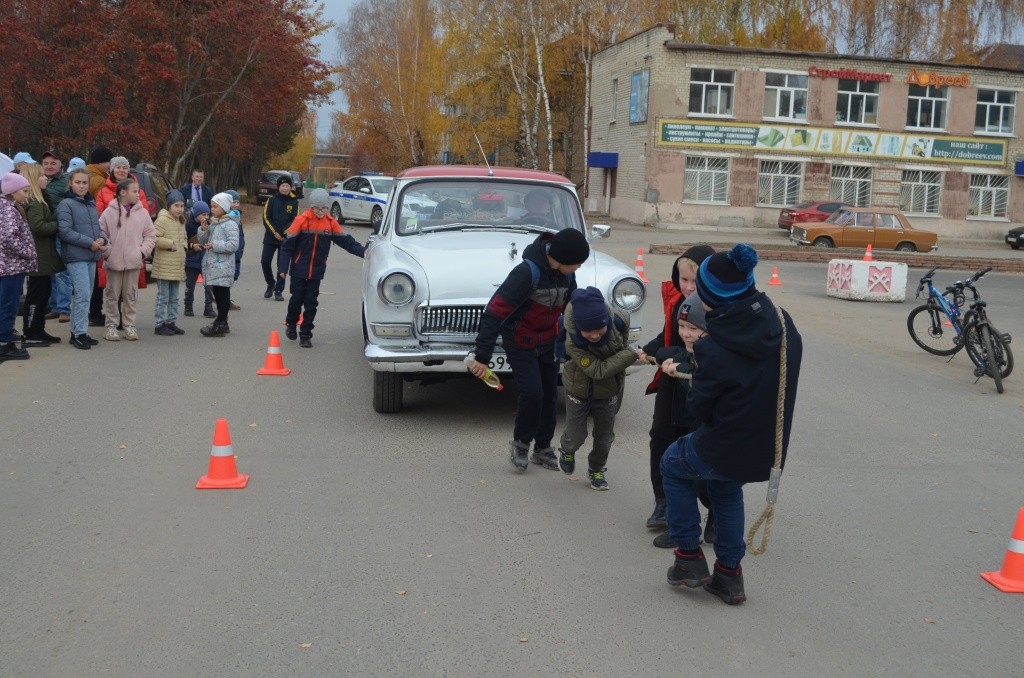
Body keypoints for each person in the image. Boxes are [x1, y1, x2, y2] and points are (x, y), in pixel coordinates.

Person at [660, 244, 802, 606]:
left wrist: (688, 373)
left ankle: (688, 557)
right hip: (765, 446)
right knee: (724, 489)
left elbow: (698, 409)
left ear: (713, 298)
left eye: (702, 297)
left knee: (673, 465)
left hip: (723, 442)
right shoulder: (784, 325)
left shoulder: (716, 346)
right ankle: (728, 576)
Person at [468, 228, 590, 471]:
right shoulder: (526, 273)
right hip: (520, 342)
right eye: (576, 264)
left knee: (549, 395)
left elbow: (572, 307)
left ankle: (543, 448)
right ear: (562, 259)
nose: (577, 269)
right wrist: (482, 356)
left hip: (547, 342)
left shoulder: (566, 276)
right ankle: (521, 444)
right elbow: (493, 313)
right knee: (533, 394)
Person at [636, 244, 715, 548]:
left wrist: (665, 353)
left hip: (699, 385)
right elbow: (669, 336)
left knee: (700, 449)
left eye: (696, 282)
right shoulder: (675, 303)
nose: (688, 287)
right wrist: (649, 349)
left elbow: (693, 353)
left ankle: (716, 512)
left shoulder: (716, 310)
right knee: (661, 437)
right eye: (683, 279)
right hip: (671, 383)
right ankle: (664, 502)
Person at [555, 287, 636, 490]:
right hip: (578, 390)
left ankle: (596, 469)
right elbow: (598, 370)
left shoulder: (619, 321)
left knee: (604, 438)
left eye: (599, 330)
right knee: (576, 436)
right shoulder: (572, 340)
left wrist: (627, 355)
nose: (594, 335)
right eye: (587, 331)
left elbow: (622, 347)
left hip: (608, 392)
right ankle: (566, 449)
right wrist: (632, 355)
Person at [278, 188, 364, 348]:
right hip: (298, 268)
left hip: (316, 271)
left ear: (328, 208)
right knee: (296, 300)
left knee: (311, 303)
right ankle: (291, 323)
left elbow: (347, 242)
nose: (320, 211)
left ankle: (305, 334)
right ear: (311, 207)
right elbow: (287, 246)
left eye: (324, 208)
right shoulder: (301, 220)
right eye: (317, 208)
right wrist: (283, 268)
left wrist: (366, 252)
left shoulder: (330, 223)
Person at [98, 178, 156, 341]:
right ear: (123, 192)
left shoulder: (143, 213)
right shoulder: (109, 212)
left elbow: (150, 235)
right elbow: (100, 233)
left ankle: (129, 325)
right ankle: (111, 326)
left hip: (133, 263)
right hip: (113, 263)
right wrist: (107, 251)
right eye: (135, 191)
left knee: (131, 295)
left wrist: (142, 252)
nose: (138, 194)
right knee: (112, 295)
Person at [56, 168, 106, 349]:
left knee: (86, 295)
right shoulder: (66, 205)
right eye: (78, 182)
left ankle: (80, 331)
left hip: (91, 255)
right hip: (76, 256)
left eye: (85, 182)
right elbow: (65, 232)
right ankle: (78, 334)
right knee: (82, 295)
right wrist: (89, 243)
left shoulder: (90, 204)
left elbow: (97, 228)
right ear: (71, 183)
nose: (82, 186)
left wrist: (102, 238)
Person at [19, 163, 63, 346]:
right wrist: (57, 225)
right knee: (36, 296)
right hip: (39, 255)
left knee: (44, 294)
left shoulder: (41, 199)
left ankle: (39, 329)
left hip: (43, 255)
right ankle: (30, 332)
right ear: (33, 179)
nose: (46, 178)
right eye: (42, 176)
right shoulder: (35, 202)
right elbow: (37, 226)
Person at [0, 173, 37, 362]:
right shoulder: (8, 210)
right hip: (11, 267)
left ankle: (4, 341)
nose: (26, 195)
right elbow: (8, 238)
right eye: (24, 191)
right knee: (8, 305)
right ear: (13, 192)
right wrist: (27, 251)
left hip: (9, 266)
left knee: (7, 304)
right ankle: (4, 344)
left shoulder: (10, 207)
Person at [197, 193, 239, 337]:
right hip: (213, 266)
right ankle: (223, 322)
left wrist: (215, 245)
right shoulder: (215, 222)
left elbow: (233, 245)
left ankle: (220, 323)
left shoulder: (230, 223)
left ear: (224, 207)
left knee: (223, 295)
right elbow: (203, 241)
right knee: (217, 294)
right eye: (211, 206)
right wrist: (203, 229)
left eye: (215, 206)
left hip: (224, 266)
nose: (212, 209)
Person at [151, 190, 188, 336]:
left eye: (182, 206)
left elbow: (184, 236)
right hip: (164, 265)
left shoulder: (181, 221)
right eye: (176, 206)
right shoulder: (162, 220)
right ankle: (159, 324)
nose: (179, 209)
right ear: (169, 206)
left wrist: (184, 245)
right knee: (163, 296)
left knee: (175, 297)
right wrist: (170, 243)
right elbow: (154, 238)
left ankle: (171, 322)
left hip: (177, 265)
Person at [261, 175, 298, 301]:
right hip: (271, 237)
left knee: (281, 265)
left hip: (285, 239)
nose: (285, 188)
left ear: (290, 187)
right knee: (265, 262)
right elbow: (266, 217)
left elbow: (295, 220)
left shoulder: (294, 201)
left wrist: (283, 233)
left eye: (287, 185)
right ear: (278, 187)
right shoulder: (271, 200)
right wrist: (275, 232)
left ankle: (278, 290)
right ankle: (271, 283)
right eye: (283, 186)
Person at [182, 201, 210, 317]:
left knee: (209, 285)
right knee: (190, 285)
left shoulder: (210, 226)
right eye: (203, 214)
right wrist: (192, 246)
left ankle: (208, 307)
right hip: (191, 260)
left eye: (207, 214)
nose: (206, 217)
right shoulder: (188, 226)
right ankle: (188, 306)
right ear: (196, 214)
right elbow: (183, 242)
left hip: (206, 259)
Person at [225, 189, 244, 310]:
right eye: (233, 202)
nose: (236, 205)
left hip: (238, 253)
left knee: (235, 275)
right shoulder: (227, 217)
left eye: (238, 202)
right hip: (231, 253)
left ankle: (222, 298)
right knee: (228, 277)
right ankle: (224, 300)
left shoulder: (237, 216)